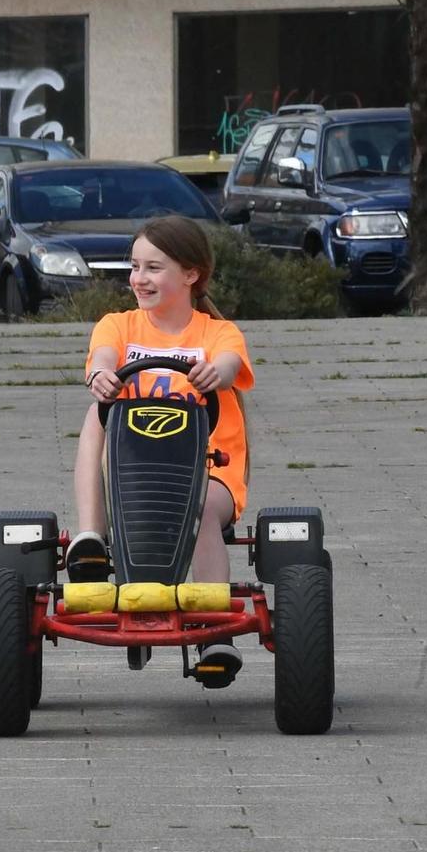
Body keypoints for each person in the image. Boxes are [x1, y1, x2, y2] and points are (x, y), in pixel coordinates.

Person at [66, 214, 255, 684]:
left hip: (208, 474)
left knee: (199, 509)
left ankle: (214, 631)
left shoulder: (216, 334)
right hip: (134, 476)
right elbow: (104, 356)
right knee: (97, 410)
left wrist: (218, 373)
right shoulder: (120, 325)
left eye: (153, 268)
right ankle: (91, 536)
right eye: (135, 267)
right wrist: (101, 376)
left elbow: (231, 362)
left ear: (190, 275)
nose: (139, 279)